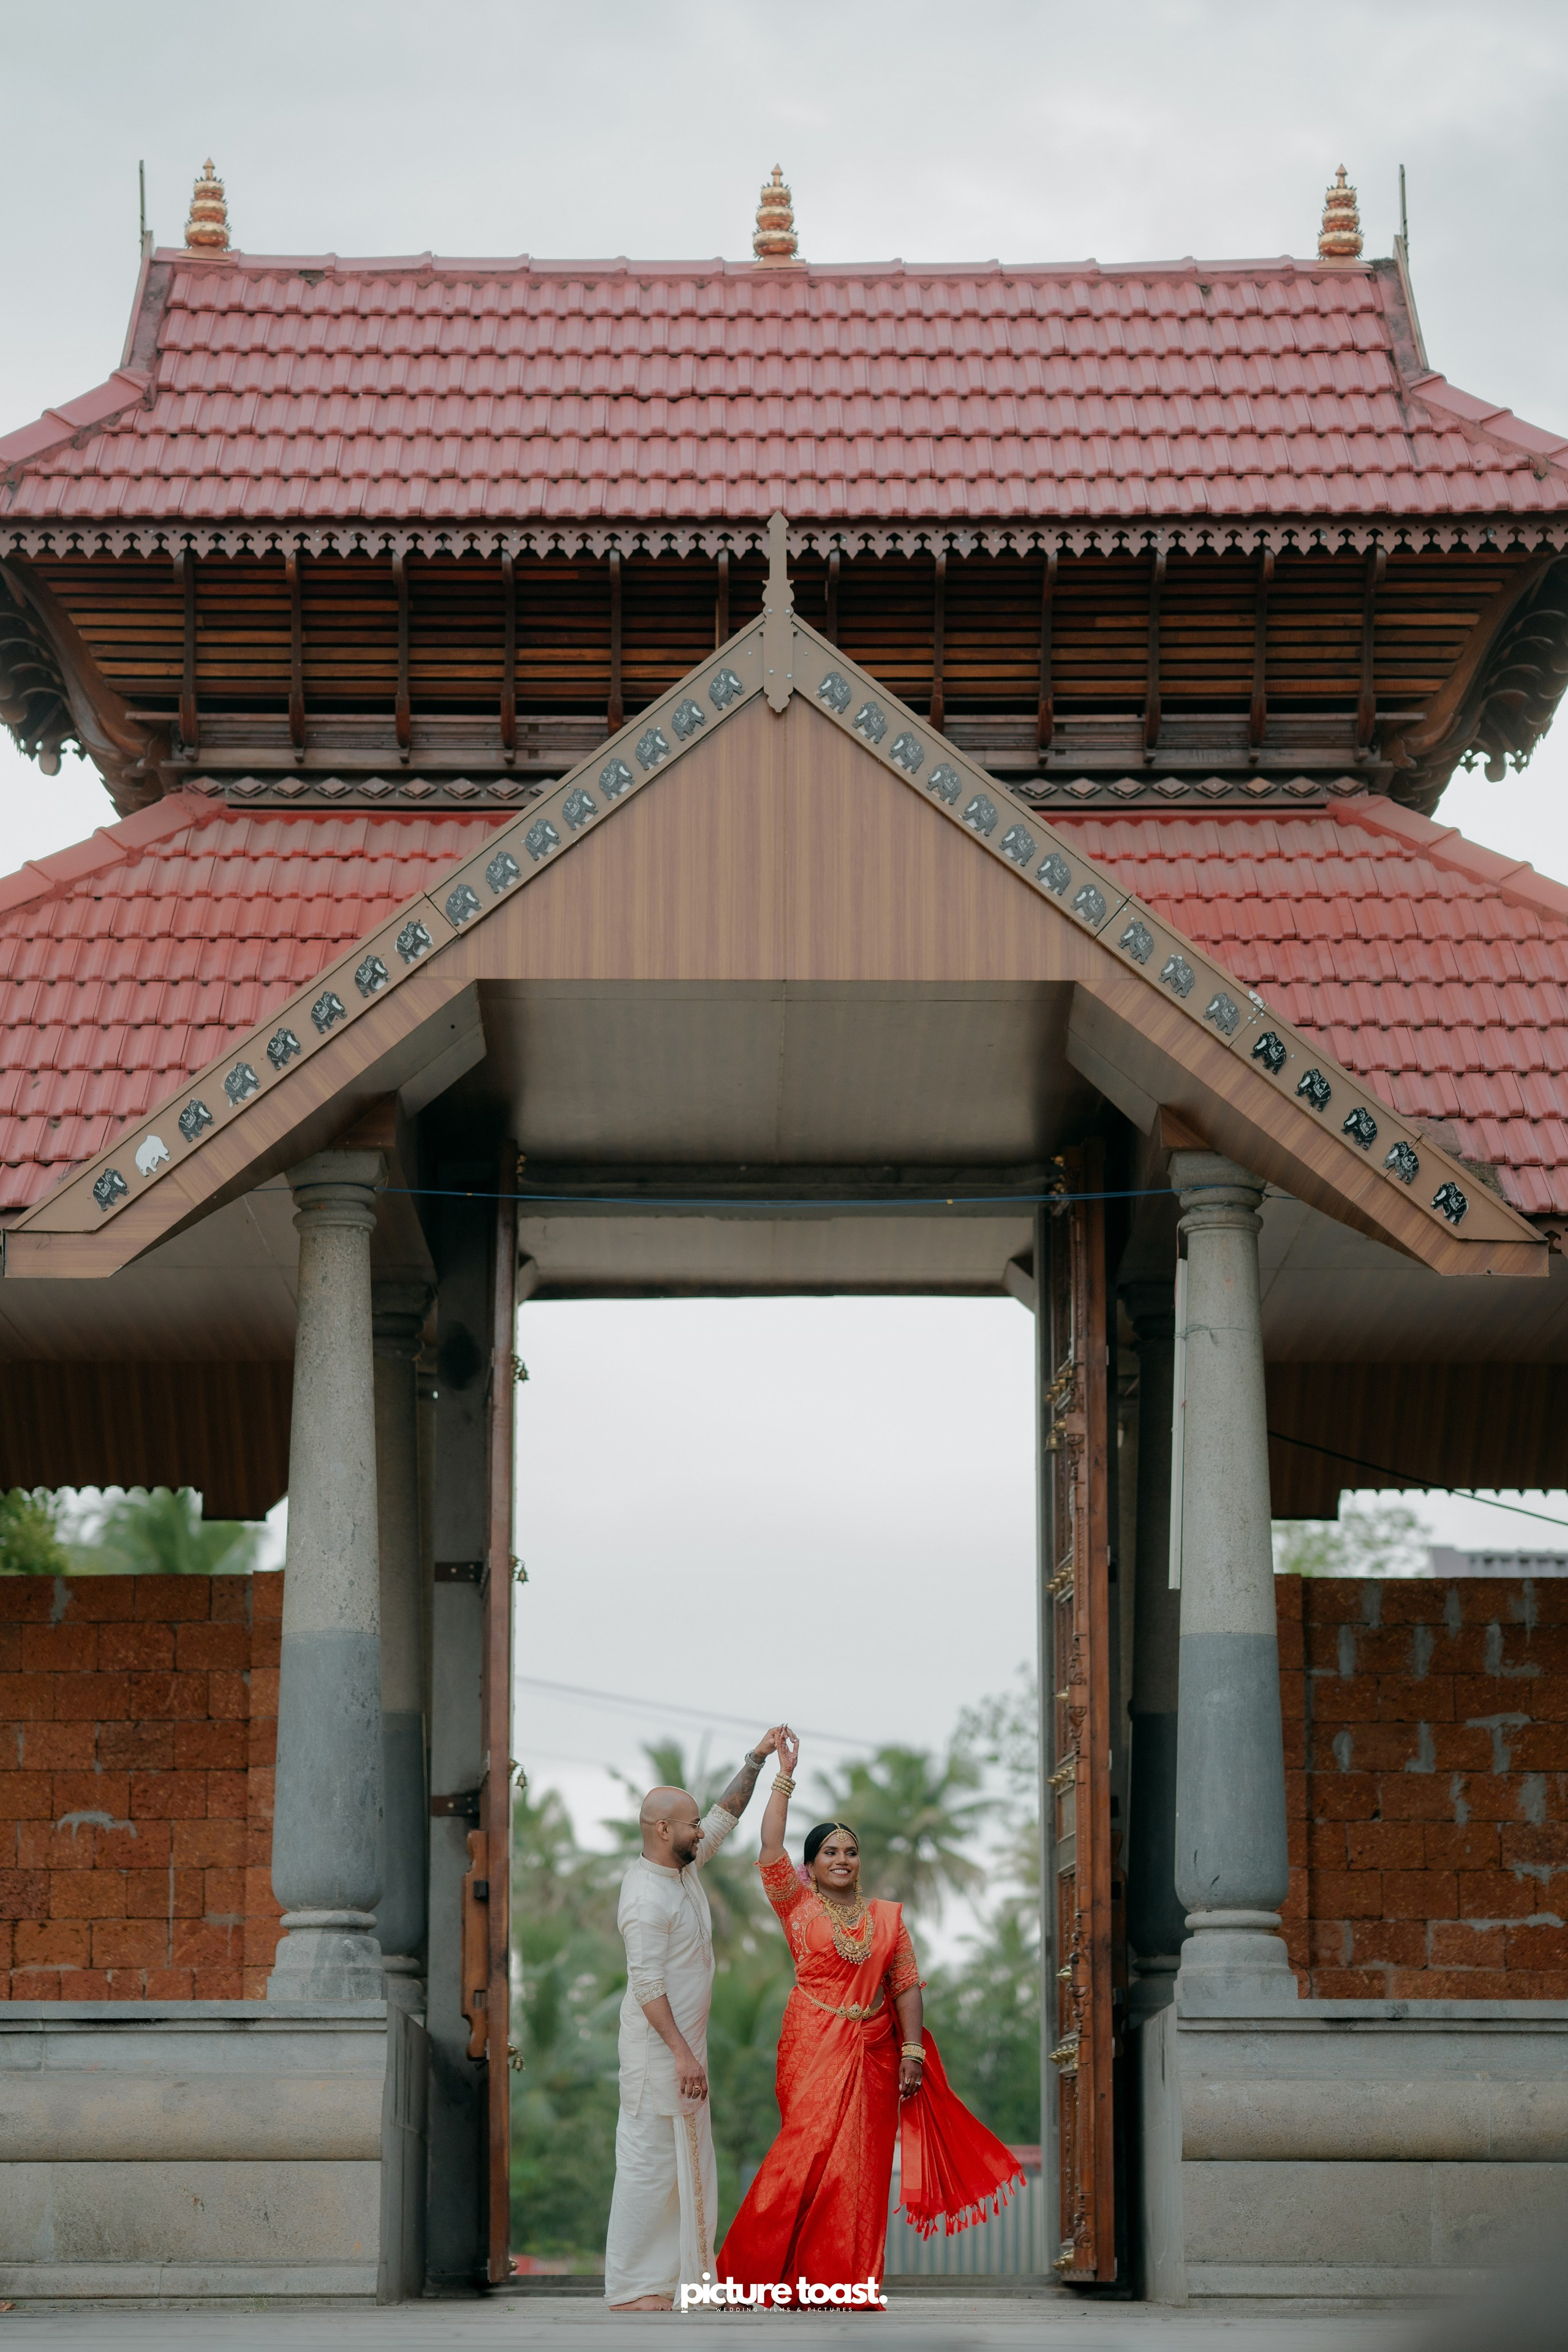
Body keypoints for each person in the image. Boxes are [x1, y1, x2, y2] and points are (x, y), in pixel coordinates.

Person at [718, 1730, 1022, 2297]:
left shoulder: (885, 1918)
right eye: (830, 1852)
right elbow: (768, 1846)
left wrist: (911, 2051)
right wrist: (782, 1774)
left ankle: (839, 2282)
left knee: (858, 2168)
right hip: (811, 2040)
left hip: (877, 2050)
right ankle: (751, 2278)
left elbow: (905, 1983)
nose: (842, 1859)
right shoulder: (796, 1903)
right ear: (810, 1864)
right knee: (802, 2153)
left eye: (850, 1851)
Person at [604, 1729, 786, 2312]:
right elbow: (647, 1985)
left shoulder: (682, 1870)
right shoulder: (644, 1897)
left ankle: (680, 2285)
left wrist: (758, 1760)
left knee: (689, 2168)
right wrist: (683, 2054)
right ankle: (633, 2291)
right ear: (662, 1830)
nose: (697, 1833)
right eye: (687, 1827)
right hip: (660, 2056)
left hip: (686, 2053)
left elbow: (725, 1816)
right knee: (649, 2169)